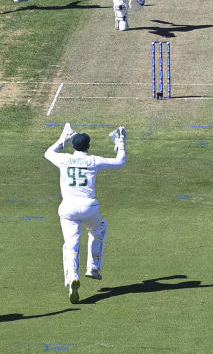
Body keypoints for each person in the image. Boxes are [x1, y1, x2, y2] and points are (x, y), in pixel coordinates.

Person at [44, 123, 126, 304]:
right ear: (88, 147)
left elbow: (48, 153)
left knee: (71, 245)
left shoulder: (64, 159)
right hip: (89, 207)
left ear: (73, 146)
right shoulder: (93, 160)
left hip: (68, 208)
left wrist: (62, 139)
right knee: (99, 229)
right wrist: (121, 142)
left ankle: (73, 276)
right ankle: (93, 267)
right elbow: (120, 161)